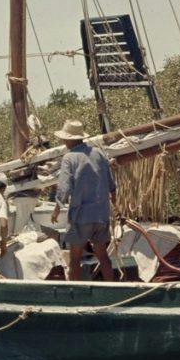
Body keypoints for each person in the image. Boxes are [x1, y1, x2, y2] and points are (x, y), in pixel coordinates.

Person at [50, 119, 117, 281]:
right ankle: (113, 288)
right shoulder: (98, 153)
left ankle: (75, 294)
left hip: (81, 216)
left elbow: (63, 189)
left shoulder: (69, 158)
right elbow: (111, 185)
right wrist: (115, 206)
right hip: (101, 214)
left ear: (68, 139)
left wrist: (56, 211)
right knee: (102, 255)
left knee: (74, 259)